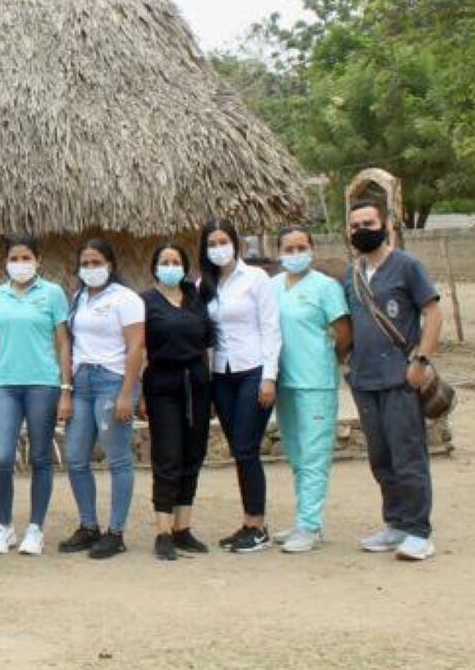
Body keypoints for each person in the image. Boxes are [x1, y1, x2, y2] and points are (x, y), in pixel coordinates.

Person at [341, 199, 444, 562]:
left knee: (408, 455)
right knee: (380, 458)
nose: (361, 230)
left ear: (384, 224)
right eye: (355, 225)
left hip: (400, 378)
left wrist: (421, 360)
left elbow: (432, 313)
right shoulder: (351, 276)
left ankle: (418, 530)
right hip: (365, 379)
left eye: (368, 223)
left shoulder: (407, 267)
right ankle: (395, 523)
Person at [0, 235, 71, 557]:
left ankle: (35, 528)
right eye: (14, 258)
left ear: (38, 259)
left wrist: (65, 389)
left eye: (26, 257)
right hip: (5, 385)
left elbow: (62, 343)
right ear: (6, 262)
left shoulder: (53, 294)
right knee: (2, 457)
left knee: (41, 457)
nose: (20, 264)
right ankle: (3, 526)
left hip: (43, 384)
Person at [59, 237, 144, 560]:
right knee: (76, 456)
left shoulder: (126, 298)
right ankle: (88, 525)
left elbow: (136, 346)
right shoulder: (77, 298)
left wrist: (127, 392)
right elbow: (69, 344)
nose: (91, 269)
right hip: (82, 382)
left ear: (110, 264)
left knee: (117, 458)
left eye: (97, 263)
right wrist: (66, 390)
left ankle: (116, 531)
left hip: (112, 381)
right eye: (85, 264)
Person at [200, 218, 283, 553]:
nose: (218, 248)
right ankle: (248, 522)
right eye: (212, 244)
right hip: (222, 374)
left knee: (247, 447)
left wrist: (269, 377)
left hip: (252, 370)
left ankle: (258, 525)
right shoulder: (205, 284)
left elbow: (271, 328)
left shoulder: (256, 278)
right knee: (239, 450)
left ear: (235, 243)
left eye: (223, 241)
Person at [272, 225, 352, 554]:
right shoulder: (272, 286)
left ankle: (310, 525)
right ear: (279, 253)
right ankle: (303, 518)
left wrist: (328, 360)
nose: (295, 254)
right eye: (288, 249)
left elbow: (343, 333)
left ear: (311, 249)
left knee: (315, 455)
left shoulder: (326, 287)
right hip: (283, 381)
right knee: (296, 454)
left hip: (316, 382)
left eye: (300, 247)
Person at [139, 242, 214, 561]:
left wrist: (208, 386)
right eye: (164, 261)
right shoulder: (144, 302)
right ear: (155, 267)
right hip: (162, 383)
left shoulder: (196, 299)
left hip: (196, 382)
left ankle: (183, 528)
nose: (170, 266)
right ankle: (163, 531)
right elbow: (139, 349)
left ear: (184, 266)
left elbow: (207, 343)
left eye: (176, 261)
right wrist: (140, 393)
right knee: (167, 456)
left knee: (193, 454)